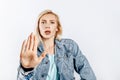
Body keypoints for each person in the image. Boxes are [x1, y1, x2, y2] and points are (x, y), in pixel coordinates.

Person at [17, 9, 96, 80]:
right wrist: (26, 69)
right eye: (43, 22)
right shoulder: (32, 51)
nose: (47, 26)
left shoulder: (69, 46)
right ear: (38, 27)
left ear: (57, 27)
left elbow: (87, 72)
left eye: (52, 22)